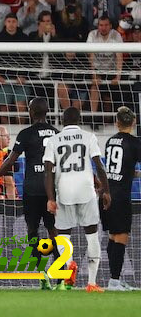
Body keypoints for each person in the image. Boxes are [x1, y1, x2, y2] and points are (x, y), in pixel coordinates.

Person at [0, 98, 60, 289]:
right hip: (52, 190)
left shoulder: (26, 133)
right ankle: (61, 275)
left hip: (33, 189)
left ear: (31, 112)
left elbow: (10, 161)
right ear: (47, 112)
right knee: (54, 233)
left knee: (32, 232)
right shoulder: (58, 134)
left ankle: (43, 276)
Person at [43, 107, 110, 293]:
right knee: (92, 235)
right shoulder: (88, 137)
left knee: (64, 236)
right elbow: (99, 165)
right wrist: (106, 191)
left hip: (64, 191)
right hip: (86, 191)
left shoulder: (53, 140)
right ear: (79, 120)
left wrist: (50, 198)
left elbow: (48, 171)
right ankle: (91, 283)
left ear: (63, 121)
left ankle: (70, 264)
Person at [102, 106, 141, 291]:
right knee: (121, 236)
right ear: (133, 123)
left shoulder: (110, 141)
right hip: (121, 196)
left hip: (107, 194)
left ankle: (114, 280)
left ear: (117, 123)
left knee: (113, 236)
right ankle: (114, 281)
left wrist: (134, 173)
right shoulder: (135, 143)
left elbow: (117, 166)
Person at [86, 16, 123, 130]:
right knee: (94, 87)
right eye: (101, 25)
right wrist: (94, 75)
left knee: (116, 92)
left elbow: (119, 57)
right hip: (97, 69)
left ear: (110, 26)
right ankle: (93, 118)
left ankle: (118, 121)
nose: (103, 28)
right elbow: (90, 57)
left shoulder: (116, 35)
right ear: (98, 26)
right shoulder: (92, 35)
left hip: (112, 69)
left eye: (106, 25)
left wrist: (118, 76)